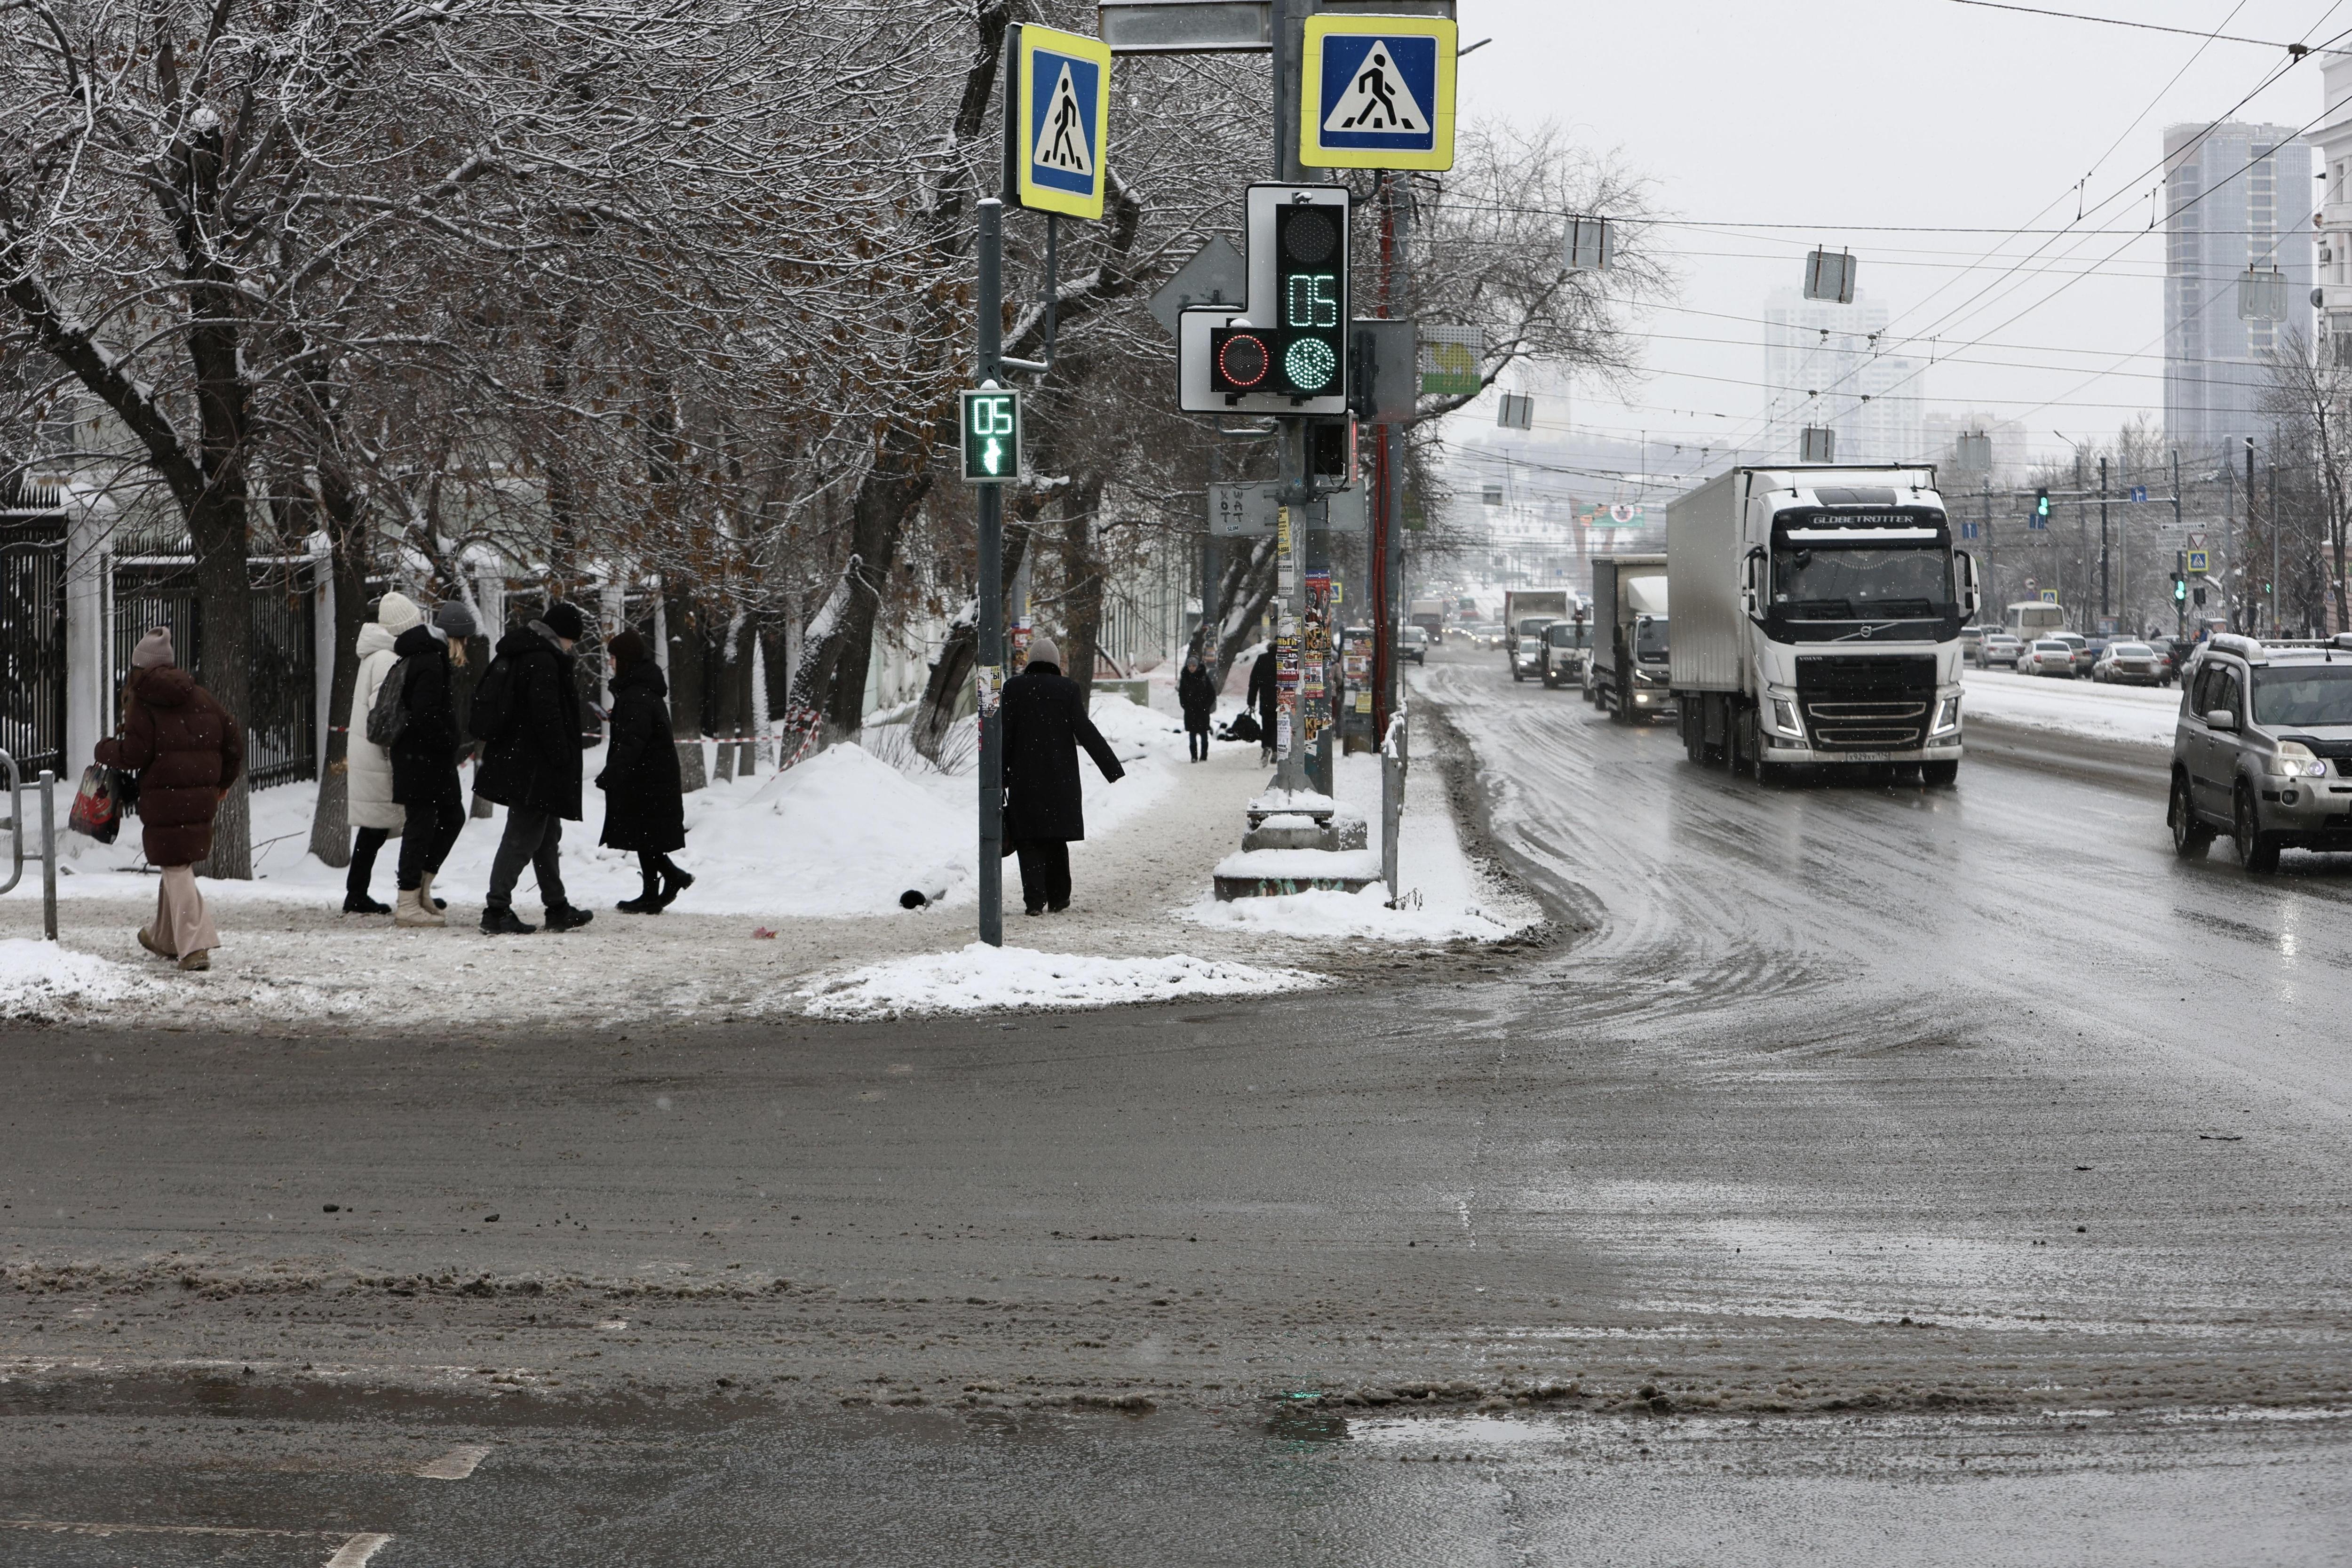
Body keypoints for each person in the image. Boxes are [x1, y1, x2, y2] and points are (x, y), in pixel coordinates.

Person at [94, 628, 242, 972]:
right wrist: (223, 781)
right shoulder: (201, 696)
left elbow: (134, 753)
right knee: (174, 861)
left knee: (176, 865)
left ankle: (195, 945)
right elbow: (233, 740)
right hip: (200, 793)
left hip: (165, 796)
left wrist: (104, 749)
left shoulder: (143, 702)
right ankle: (165, 937)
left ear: (139, 667)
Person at [473, 600, 596, 935]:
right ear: (563, 635)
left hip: (522, 760)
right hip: (534, 765)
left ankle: (557, 907)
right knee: (522, 835)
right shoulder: (543, 659)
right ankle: (496, 909)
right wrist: (562, 755)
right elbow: (546, 714)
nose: (573, 646)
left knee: (545, 834)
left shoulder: (526, 651)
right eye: (573, 639)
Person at [999, 635, 1124, 916]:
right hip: (1060, 779)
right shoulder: (1067, 689)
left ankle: (1033, 901)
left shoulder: (1013, 689)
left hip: (1024, 779)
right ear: (1056, 663)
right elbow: (1084, 729)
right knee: (1056, 839)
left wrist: (1001, 776)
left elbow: (1005, 735)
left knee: (1028, 840)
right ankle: (1059, 898)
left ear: (1030, 662)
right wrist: (1111, 767)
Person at [386, 602, 477, 927]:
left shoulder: (431, 656)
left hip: (428, 758)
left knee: (452, 816)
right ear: (454, 637)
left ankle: (422, 888)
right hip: (420, 758)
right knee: (420, 826)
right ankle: (408, 899)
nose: (465, 645)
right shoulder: (430, 661)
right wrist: (448, 741)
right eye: (464, 639)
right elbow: (425, 713)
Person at [596, 629, 693, 914]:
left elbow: (634, 741)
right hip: (650, 776)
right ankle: (657, 889)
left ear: (624, 659)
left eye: (613, 657)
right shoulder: (638, 692)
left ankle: (665, 884)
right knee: (644, 835)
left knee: (643, 834)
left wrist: (611, 774)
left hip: (647, 778)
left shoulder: (636, 696)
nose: (610, 663)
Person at [343, 592, 422, 914]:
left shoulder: (377, 655)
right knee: (382, 827)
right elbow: (385, 713)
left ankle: (358, 892)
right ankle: (398, 892)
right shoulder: (388, 659)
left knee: (374, 828)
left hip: (369, 751)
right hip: (380, 756)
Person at [1178, 651, 1217, 763]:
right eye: (1190, 666)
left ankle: (1204, 756)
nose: (1192, 668)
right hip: (1190, 711)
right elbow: (1182, 694)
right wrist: (1185, 705)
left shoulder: (1204, 678)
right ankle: (1194, 756)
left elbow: (1212, 693)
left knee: (1204, 734)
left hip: (1202, 711)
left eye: (1194, 666)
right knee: (1192, 734)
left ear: (1198, 666)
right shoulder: (1185, 678)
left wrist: (1206, 706)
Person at [1246, 642, 1279, 765]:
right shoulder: (1285, 659)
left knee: (1267, 726)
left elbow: (1254, 682)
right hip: (1282, 700)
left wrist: (1251, 701)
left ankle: (1266, 748)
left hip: (1266, 699)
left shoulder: (1262, 659)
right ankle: (1276, 750)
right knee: (1279, 726)